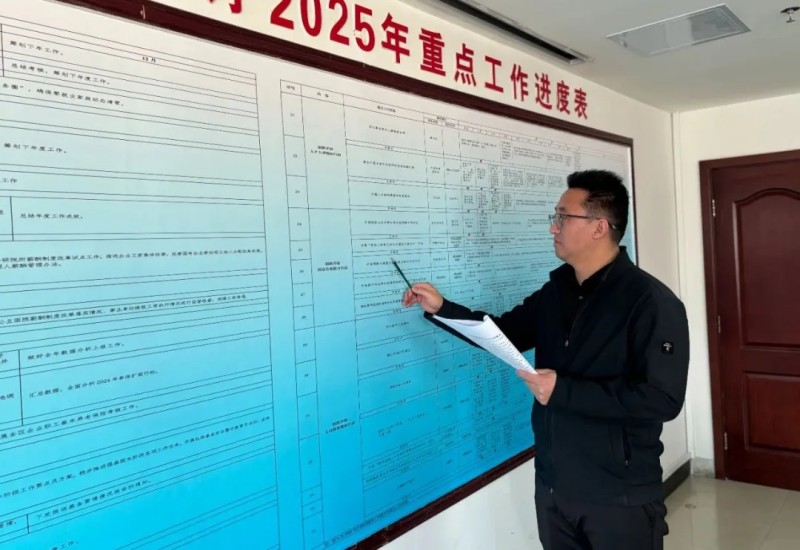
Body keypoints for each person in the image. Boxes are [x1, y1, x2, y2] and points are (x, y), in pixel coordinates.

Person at [402, 170, 689, 550]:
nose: (553, 227)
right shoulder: (557, 291)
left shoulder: (651, 302)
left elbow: (661, 399)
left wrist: (562, 391)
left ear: (600, 227)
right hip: (555, 488)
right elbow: (504, 334)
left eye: (563, 217)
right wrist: (442, 309)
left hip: (619, 495)